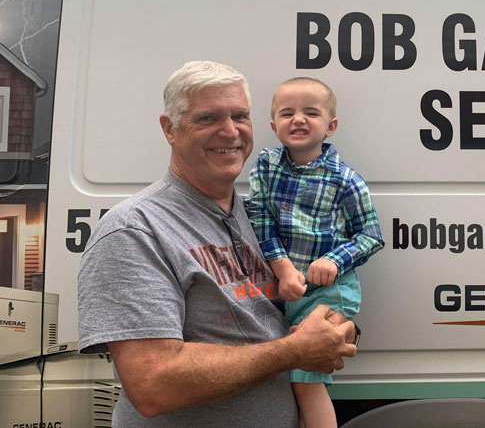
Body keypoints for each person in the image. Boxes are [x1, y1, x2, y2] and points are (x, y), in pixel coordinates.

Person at [78, 61, 357, 427]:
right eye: (208, 118)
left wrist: (335, 330)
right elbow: (153, 384)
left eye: (240, 116)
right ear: (169, 129)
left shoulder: (259, 216)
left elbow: (294, 315)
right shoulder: (135, 229)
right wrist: (295, 350)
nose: (230, 132)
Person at [246, 77, 384, 428]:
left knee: (305, 380)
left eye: (311, 112)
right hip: (281, 287)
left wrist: (333, 261)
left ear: (330, 126)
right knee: (279, 377)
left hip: (326, 292)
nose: (299, 119)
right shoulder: (266, 165)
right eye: (287, 112)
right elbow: (260, 218)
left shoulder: (345, 179)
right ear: (274, 125)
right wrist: (282, 268)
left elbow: (371, 235)